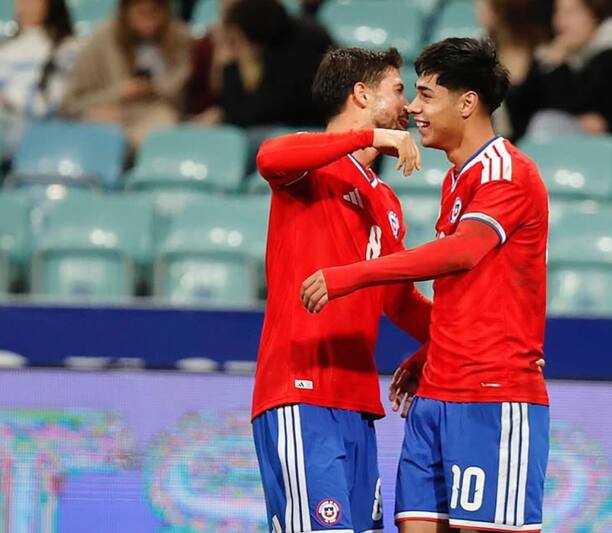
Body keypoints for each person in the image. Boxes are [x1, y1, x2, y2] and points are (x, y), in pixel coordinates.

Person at [301, 37, 551, 533]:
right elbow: (470, 292)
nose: (413, 108)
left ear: (467, 102)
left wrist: (350, 275)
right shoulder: (456, 180)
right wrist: (432, 350)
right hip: (435, 396)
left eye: (426, 94)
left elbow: (462, 252)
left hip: (492, 395)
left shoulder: (507, 171)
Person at [251, 47, 433, 533]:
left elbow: (399, 302)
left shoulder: (386, 199)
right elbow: (268, 157)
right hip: (300, 392)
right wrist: (370, 135)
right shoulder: (310, 165)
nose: (409, 107)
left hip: (357, 404)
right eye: (398, 91)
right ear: (361, 94)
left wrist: (474, 334)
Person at [504, 0, 612, 148]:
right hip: (587, 152)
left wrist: (557, 66)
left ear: (595, 15)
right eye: (558, 12)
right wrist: (546, 64)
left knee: (547, 123)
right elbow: (522, 112)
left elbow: (570, 105)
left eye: (571, 12)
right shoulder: (565, 55)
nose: (561, 22)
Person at [61, 0, 192, 148]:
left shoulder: (180, 38)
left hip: (156, 123)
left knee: (163, 123)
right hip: (108, 121)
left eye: (154, 12)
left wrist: (154, 90)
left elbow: (185, 102)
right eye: (141, 13)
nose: (149, 23)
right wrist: (119, 93)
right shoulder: (101, 41)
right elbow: (71, 105)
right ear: (125, 11)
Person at [205, 0, 332, 128]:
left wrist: (230, 66)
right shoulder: (278, 35)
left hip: (305, 129)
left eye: (235, 41)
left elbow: (243, 115)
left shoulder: (301, 46)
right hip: (285, 124)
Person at [0, 0, 79, 153]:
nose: (23, 6)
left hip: (35, 130)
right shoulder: (5, 47)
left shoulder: (68, 48)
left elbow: (58, 103)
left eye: (30, 1)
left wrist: (10, 102)